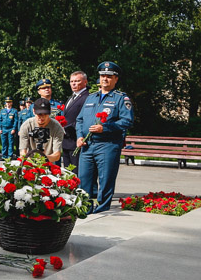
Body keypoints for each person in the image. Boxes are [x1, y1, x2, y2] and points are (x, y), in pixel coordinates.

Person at [76, 61, 134, 213]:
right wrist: (79, 137)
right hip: (87, 146)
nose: (105, 79)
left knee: (106, 179)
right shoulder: (91, 98)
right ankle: (85, 208)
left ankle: (102, 209)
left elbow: (127, 121)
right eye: (102, 76)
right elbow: (80, 120)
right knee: (84, 178)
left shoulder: (121, 98)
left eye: (109, 76)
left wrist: (105, 128)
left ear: (116, 79)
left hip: (108, 145)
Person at [61, 71, 90, 172]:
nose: (73, 84)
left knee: (76, 173)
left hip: (76, 139)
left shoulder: (87, 98)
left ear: (85, 82)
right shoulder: (71, 97)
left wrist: (67, 128)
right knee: (67, 173)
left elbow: (84, 119)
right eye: (71, 81)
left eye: (77, 81)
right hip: (66, 141)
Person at [19, 98, 64, 162]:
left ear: (50, 112)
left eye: (45, 114)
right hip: (29, 162)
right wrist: (31, 163)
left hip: (49, 162)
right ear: (34, 111)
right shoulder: (27, 125)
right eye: (39, 114)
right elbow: (23, 152)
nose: (42, 117)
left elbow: (57, 155)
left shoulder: (57, 127)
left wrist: (43, 159)